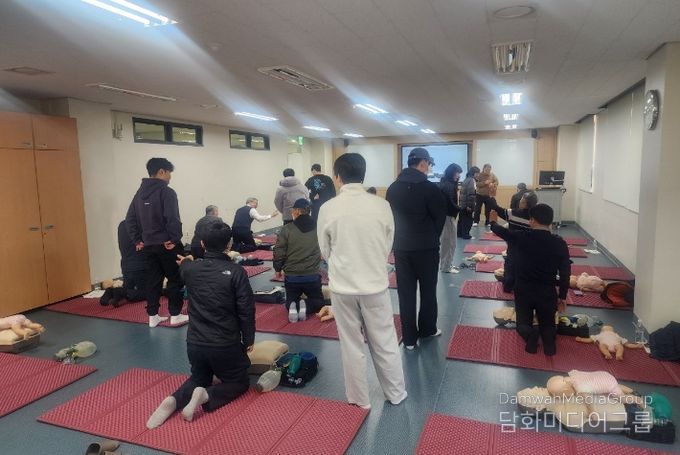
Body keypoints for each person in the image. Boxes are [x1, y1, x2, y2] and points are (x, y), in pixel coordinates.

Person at [318, 153, 406, 409]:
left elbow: (324, 251)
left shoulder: (328, 208)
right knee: (385, 341)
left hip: (342, 287)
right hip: (375, 284)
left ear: (338, 177)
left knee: (351, 345)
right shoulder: (381, 206)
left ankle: (359, 399)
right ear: (363, 175)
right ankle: (396, 393)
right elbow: (388, 244)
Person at [146, 221, 255, 429]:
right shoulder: (236, 272)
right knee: (239, 382)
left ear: (202, 244)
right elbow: (246, 310)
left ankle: (174, 400)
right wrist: (249, 339)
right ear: (229, 244)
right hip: (225, 345)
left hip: (195, 345)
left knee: (199, 377)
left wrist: (187, 261)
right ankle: (206, 395)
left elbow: (186, 265)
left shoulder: (190, 270)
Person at [489, 204, 570, 356]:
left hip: (523, 291)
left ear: (532, 220)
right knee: (548, 325)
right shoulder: (560, 243)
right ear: (550, 222)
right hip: (547, 292)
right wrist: (562, 296)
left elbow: (502, 231)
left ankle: (530, 334)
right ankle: (549, 342)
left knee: (522, 324)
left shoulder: (521, 237)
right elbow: (565, 272)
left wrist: (492, 221)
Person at [386, 147, 447, 350]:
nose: (429, 167)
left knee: (406, 293)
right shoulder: (430, 188)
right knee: (428, 290)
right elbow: (439, 218)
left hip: (402, 247)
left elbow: (391, 219)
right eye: (428, 164)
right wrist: (430, 237)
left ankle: (409, 339)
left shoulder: (393, 188)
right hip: (426, 247)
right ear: (423, 163)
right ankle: (427, 329)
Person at [125, 158, 188, 327]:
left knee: (153, 280)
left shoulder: (139, 193)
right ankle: (175, 314)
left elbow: (129, 219)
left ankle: (153, 316)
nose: (170, 177)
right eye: (169, 173)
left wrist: (137, 240)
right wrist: (174, 238)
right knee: (174, 279)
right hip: (167, 244)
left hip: (148, 245)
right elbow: (172, 218)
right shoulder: (167, 192)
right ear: (161, 171)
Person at [273, 198, 324, 319]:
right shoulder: (319, 228)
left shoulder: (287, 229)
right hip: (312, 276)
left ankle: (293, 305)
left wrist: (277, 269)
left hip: (292, 277)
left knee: (290, 300)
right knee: (319, 302)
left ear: (297, 211)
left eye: (293, 210)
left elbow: (279, 251)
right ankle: (306, 306)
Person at [491, 191, 539, 292]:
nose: (519, 202)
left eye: (521, 201)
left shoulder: (513, 214)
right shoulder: (537, 218)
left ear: (525, 203)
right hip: (532, 254)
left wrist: (491, 196)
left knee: (507, 277)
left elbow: (497, 209)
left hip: (514, 251)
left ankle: (510, 281)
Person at [103, 220, 147, 307]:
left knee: (129, 288)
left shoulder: (122, 225)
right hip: (140, 268)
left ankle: (110, 292)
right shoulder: (142, 225)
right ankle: (122, 292)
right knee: (150, 292)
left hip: (126, 267)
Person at [438, 163, 463, 273]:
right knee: (450, 243)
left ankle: (446, 265)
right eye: (457, 173)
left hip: (446, 216)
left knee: (447, 242)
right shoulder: (448, 185)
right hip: (448, 217)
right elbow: (450, 203)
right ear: (452, 172)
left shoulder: (445, 182)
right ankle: (446, 267)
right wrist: (461, 209)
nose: (458, 175)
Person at [457, 166, 479, 239]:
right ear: (474, 173)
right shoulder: (472, 181)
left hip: (463, 204)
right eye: (477, 173)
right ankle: (466, 235)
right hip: (467, 204)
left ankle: (460, 234)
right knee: (468, 220)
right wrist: (470, 206)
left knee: (462, 220)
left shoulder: (466, 179)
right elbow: (471, 194)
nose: (478, 175)